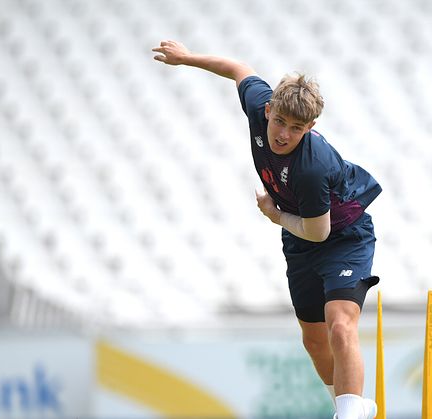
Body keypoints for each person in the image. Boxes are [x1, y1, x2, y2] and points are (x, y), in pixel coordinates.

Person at [152, 40, 381, 419]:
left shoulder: (312, 166)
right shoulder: (260, 105)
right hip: (300, 238)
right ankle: (351, 406)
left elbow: (320, 232)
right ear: (269, 109)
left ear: (310, 128)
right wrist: (186, 58)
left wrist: (276, 218)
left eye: (295, 128)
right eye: (279, 122)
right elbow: (237, 67)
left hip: (343, 236)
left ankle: (350, 412)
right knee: (313, 339)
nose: (283, 135)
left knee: (340, 325)